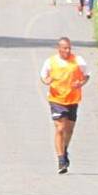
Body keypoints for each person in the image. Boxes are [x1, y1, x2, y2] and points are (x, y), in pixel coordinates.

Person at [40, 37, 90, 174]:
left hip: (73, 99)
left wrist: (81, 83)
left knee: (69, 129)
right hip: (56, 100)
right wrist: (47, 80)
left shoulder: (78, 61)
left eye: (69, 48)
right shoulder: (50, 62)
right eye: (65, 48)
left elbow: (86, 75)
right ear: (59, 48)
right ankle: (61, 160)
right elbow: (43, 76)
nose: (67, 51)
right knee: (60, 128)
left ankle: (65, 148)